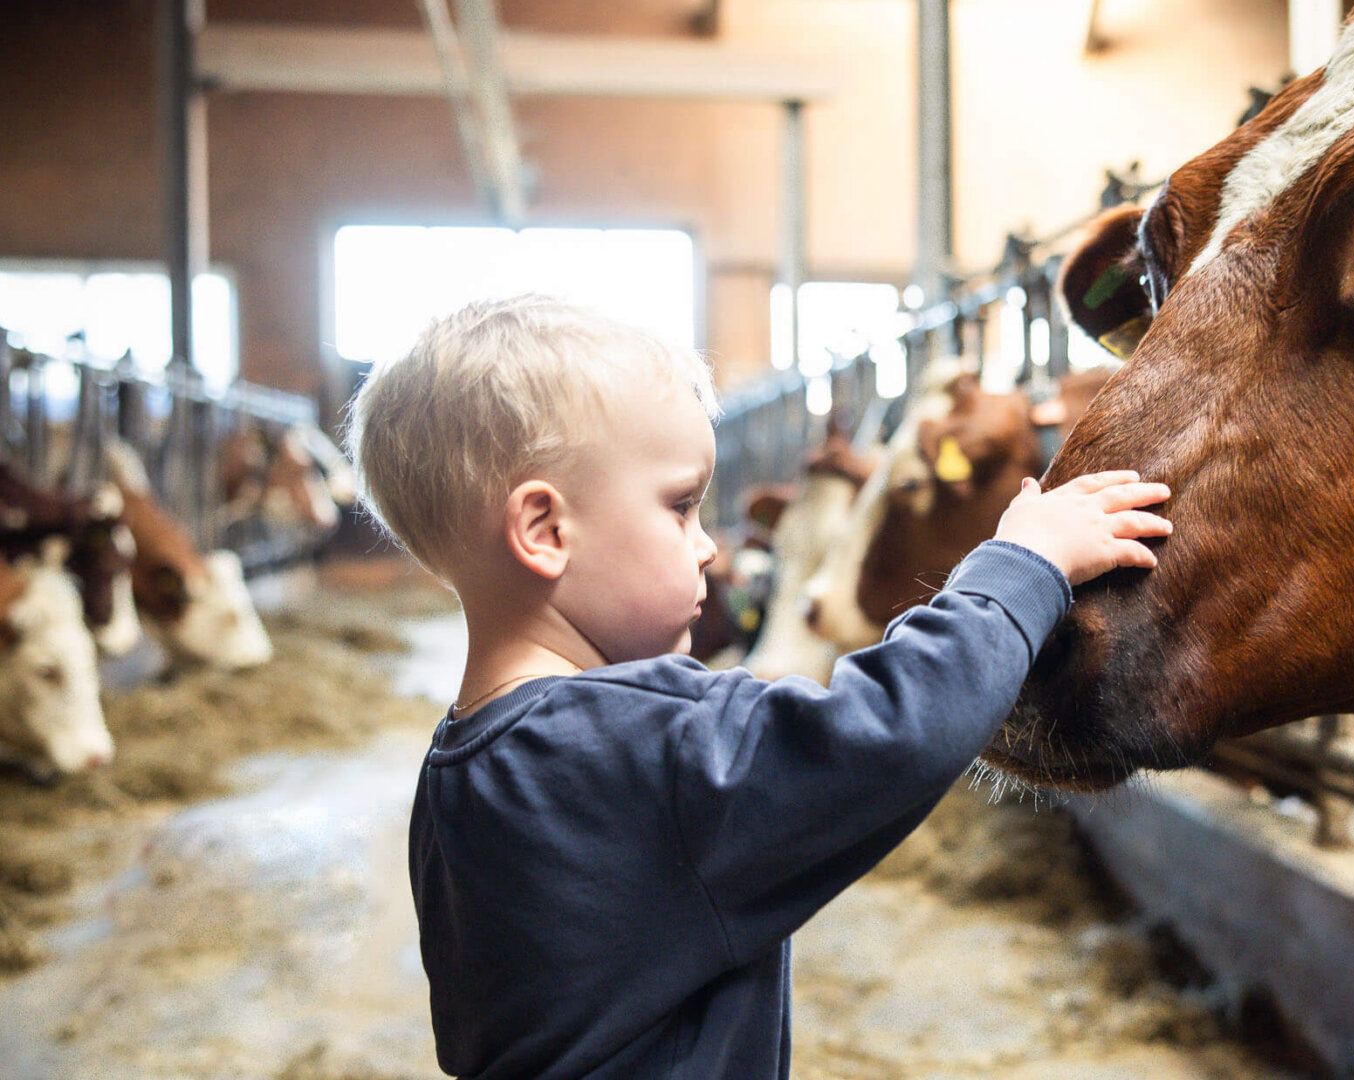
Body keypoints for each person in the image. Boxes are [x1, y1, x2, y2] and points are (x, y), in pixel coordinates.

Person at [345, 294, 1173, 1080]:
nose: (709, 548)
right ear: (545, 530)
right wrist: (1022, 568)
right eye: (680, 507)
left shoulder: (458, 770)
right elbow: (888, 730)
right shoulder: (640, 747)